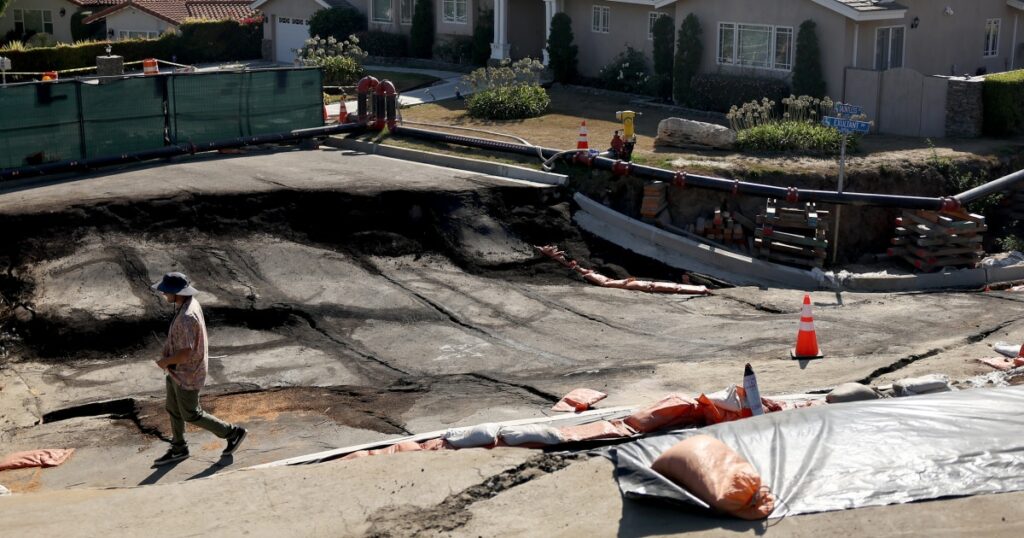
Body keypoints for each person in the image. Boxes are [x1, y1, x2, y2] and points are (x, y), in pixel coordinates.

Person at [151, 272, 247, 466]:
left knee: (191, 413)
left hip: (187, 373)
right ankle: (179, 448)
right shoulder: (188, 304)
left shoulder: (186, 317)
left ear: (177, 293)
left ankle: (232, 432)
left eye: (166, 291)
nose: (163, 294)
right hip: (177, 372)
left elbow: (185, 353)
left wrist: (165, 361)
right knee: (173, 408)